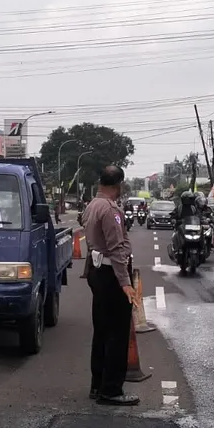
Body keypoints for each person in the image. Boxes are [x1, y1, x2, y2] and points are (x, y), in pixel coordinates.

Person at [82, 166, 140, 406]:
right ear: (119, 185)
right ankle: (112, 389)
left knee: (102, 331)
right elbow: (116, 249)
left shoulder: (92, 205)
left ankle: (98, 385)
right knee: (117, 333)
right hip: (111, 274)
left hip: (98, 272)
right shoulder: (110, 209)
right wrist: (125, 283)